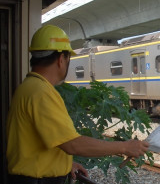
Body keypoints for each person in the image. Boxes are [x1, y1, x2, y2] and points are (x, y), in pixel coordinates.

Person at [6, 25, 149, 184]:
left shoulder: (28, 87)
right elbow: (73, 144)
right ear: (61, 60)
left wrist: (64, 164)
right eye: (69, 59)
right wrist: (124, 147)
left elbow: (42, 142)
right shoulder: (42, 93)